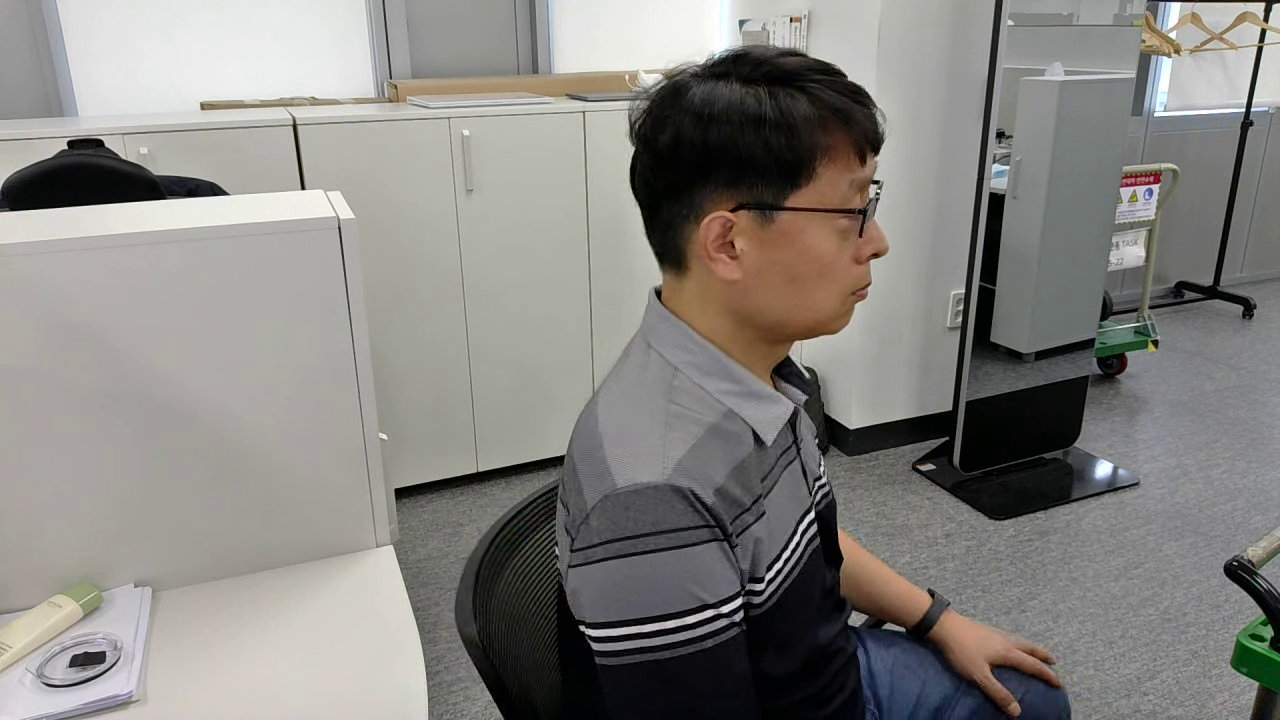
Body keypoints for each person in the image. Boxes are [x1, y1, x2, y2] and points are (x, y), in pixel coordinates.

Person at [555, 45, 1071, 720]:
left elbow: (805, 546)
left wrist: (939, 621)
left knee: (1031, 699)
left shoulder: (758, 374)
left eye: (871, 200)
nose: (877, 240)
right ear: (728, 243)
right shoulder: (652, 500)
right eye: (852, 211)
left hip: (829, 665)